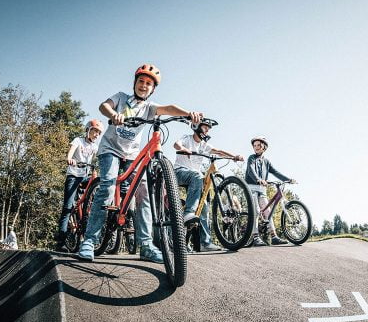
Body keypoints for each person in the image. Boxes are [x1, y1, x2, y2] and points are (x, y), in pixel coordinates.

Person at [77, 63, 203, 262]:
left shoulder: (149, 108)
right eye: (141, 81)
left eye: (148, 84)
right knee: (108, 186)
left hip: (132, 155)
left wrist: (188, 113)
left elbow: (169, 108)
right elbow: (104, 106)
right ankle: (89, 241)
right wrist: (113, 115)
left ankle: (145, 245)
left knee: (144, 193)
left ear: (153, 89)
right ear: (135, 83)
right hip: (110, 149)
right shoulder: (121, 97)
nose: (144, 86)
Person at [173, 120, 243, 251]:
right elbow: (176, 144)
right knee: (197, 176)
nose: (207, 131)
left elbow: (219, 151)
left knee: (204, 206)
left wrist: (234, 156)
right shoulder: (187, 138)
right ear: (196, 127)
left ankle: (205, 243)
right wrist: (183, 149)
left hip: (195, 179)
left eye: (208, 129)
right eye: (205, 128)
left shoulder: (204, 145)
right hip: (180, 172)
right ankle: (188, 213)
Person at [55, 118, 103, 251]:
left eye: (99, 133)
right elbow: (71, 151)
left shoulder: (95, 146)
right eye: (95, 131)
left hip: (85, 177)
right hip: (74, 176)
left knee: (99, 184)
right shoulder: (78, 140)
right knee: (68, 208)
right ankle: (61, 242)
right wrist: (70, 158)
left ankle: (88, 211)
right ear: (88, 130)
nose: (96, 135)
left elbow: (100, 157)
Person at [245, 136, 295, 246]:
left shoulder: (266, 162)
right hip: (251, 187)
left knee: (267, 211)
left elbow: (276, 172)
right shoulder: (251, 158)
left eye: (259, 145)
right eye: (255, 145)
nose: (256, 147)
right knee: (256, 211)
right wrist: (258, 179)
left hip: (262, 189)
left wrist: (288, 180)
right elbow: (251, 170)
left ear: (264, 147)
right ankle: (255, 237)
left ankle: (274, 236)